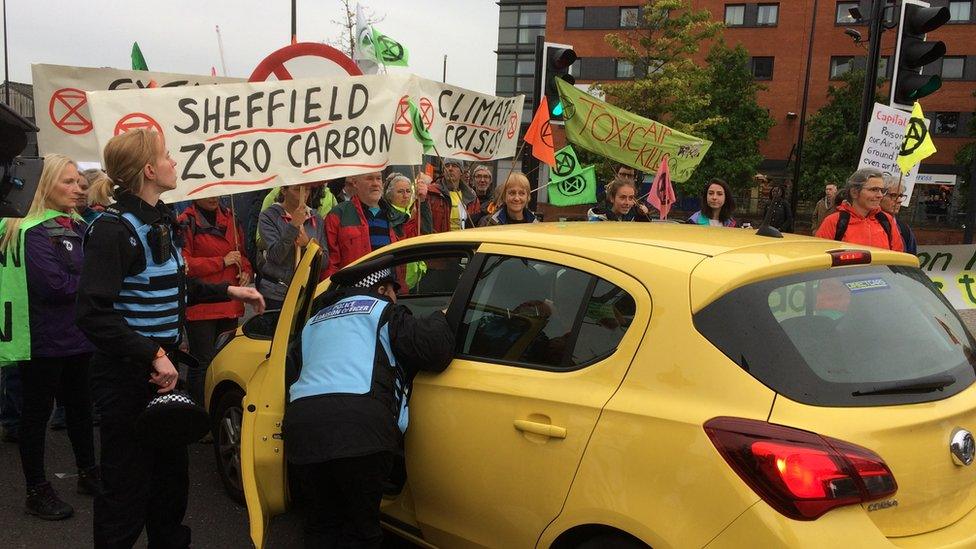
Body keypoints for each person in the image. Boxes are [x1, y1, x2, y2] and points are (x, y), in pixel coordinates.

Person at [76, 128, 265, 548]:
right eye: (167, 155)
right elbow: (91, 314)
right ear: (148, 169)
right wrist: (153, 353)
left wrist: (229, 290)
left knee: (170, 485)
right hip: (126, 378)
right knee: (125, 489)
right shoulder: (113, 231)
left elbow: (172, 285)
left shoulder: (160, 219)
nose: (174, 162)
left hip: (160, 371)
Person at [283, 258, 455, 548]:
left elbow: (293, 372)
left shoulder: (314, 321)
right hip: (360, 432)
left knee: (321, 523)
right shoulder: (382, 311)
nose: (396, 297)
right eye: (393, 290)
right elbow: (433, 350)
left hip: (303, 433)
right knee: (361, 529)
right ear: (380, 288)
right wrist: (441, 316)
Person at [0, 154, 100, 520]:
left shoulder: (75, 225)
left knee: (80, 409)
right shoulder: (30, 230)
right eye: (69, 182)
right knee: (35, 416)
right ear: (46, 186)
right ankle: (36, 489)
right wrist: (98, 285)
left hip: (76, 337)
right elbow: (53, 286)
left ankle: (89, 473)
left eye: (80, 181)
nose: (79, 188)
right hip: (42, 340)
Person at [178, 196, 253, 406]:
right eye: (208, 193)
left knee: (224, 361)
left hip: (229, 303)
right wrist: (221, 261)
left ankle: (217, 411)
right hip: (200, 306)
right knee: (202, 363)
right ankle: (199, 415)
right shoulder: (186, 221)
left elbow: (243, 255)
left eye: (216, 193)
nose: (213, 197)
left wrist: (247, 271)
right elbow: (185, 265)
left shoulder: (232, 218)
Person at [324, 171, 409, 278]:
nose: (375, 183)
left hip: (389, 291)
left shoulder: (396, 217)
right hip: (353, 291)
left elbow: (402, 263)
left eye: (378, 178)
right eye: (369, 178)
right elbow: (331, 264)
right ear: (355, 182)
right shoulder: (338, 214)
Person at [256, 183, 325, 311]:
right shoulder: (268, 216)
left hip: (305, 294)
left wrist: (308, 244)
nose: (303, 194)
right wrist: (293, 225)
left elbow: (324, 261)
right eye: (297, 190)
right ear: (283, 190)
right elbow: (275, 256)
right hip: (276, 293)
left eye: (307, 189)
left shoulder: (316, 218)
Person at [815, 168, 904, 251]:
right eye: (874, 190)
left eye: (882, 190)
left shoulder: (887, 220)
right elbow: (819, 257)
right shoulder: (834, 221)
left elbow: (898, 257)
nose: (880, 195)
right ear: (854, 192)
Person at [427, 159, 480, 232]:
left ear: (461, 172)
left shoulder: (472, 198)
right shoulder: (431, 193)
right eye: (447, 166)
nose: (450, 169)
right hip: (439, 241)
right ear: (443, 171)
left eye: (455, 166)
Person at [880, 175, 917, 254]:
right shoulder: (866, 223)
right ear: (879, 195)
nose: (899, 200)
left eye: (900, 196)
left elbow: (910, 259)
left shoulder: (904, 228)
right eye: (893, 195)